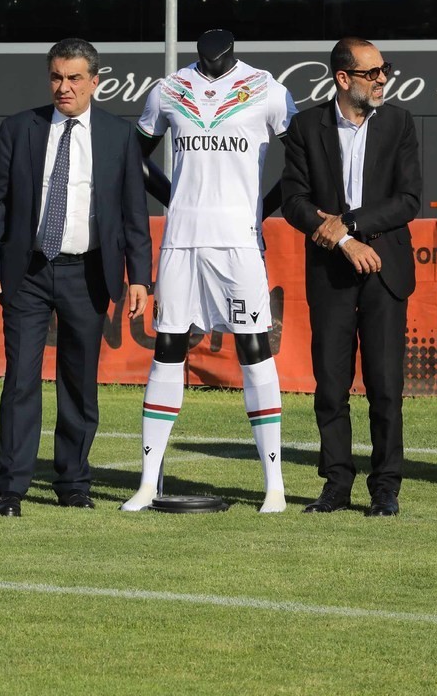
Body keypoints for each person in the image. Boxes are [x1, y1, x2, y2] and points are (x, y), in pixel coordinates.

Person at [122, 29, 297, 514]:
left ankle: (274, 486)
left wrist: (263, 208)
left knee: (255, 351)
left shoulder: (268, 89)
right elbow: (130, 158)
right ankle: (147, 484)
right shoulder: (167, 89)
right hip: (180, 241)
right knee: (167, 347)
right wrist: (173, 197)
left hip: (240, 243)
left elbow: (302, 158)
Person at [0, 38, 152, 518]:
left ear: (95, 81)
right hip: (28, 272)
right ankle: (10, 488)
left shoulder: (119, 135)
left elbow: (134, 212)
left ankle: (73, 482)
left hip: (89, 272)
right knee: (20, 381)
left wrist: (140, 277)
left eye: (74, 78)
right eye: (56, 76)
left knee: (79, 382)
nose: (64, 87)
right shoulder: (19, 128)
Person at [282, 37, 422, 517]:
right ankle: (336, 484)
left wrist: (353, 223)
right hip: (331, 272)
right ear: (343, 79)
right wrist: (344, 240)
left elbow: (408, 200)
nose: (383, 79)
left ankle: (386, 488)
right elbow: (294, 201)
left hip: (386, 271)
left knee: (385, 386)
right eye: (373, 72)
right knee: (330, 385)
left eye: (386, 70)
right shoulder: (305, 126)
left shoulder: (399, 123)